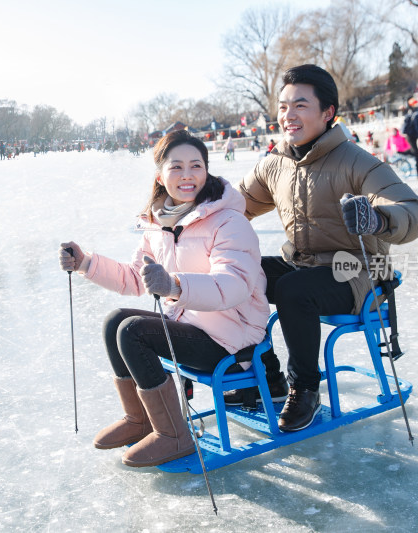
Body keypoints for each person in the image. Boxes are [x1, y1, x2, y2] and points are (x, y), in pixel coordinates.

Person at [233, 64, 418, 432]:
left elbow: (415, 211)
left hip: (357, 272)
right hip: (304, 264)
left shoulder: (356, 161)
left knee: (295, 290)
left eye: (300, 106)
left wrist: (378, 219)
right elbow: (232, 204)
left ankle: (305, 388)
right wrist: (184, 209)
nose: (288, 116)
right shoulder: (275, 163)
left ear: (328, 113)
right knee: (240, 274)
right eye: (283, 106)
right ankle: (262, 373)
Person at [58, 130, 272, 467]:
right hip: (188, 325)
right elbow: (134, 278)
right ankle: (141, 419)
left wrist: (174, 285)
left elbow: (234, 285)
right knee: (116, 320)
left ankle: (175, 436)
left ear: (206, 171)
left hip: (230, 336)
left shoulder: (229, 222)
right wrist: (86, 263)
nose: (187, 175)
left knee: (134, 331)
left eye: (196, 166)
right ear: (161, 175)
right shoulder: (159, 225)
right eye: (177, 167)